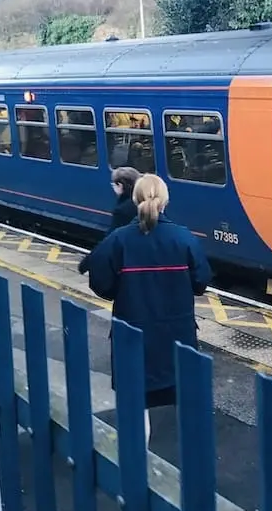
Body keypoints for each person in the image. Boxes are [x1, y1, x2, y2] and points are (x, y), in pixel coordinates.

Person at [85, 173, 212, 446]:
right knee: (184, 397)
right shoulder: (184, 238)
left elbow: (100, 284)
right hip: (178, 336)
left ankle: (136, 467)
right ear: (165, 201)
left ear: (135, 198)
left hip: (132, 334)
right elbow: (201, 283)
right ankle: (194, 464)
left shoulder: (118, 240)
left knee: (135, 403)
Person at [78, 166, 140, 275]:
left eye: (113, 185)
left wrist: (85, 264)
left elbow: (109, 240)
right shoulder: (143, 202)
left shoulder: (123, 210)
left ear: (120, 185)